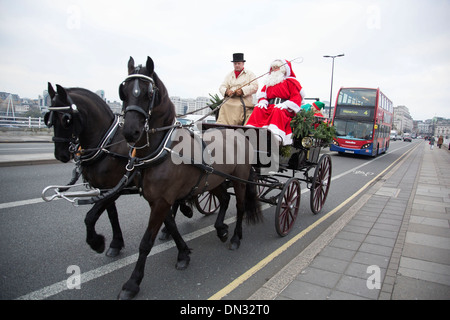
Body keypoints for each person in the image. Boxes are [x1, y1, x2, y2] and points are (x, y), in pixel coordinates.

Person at [246, 59, 305, 145]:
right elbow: (262, 95)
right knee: (258, 108)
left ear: (283, 69)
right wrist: (262, 102)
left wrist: (285, 105)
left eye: (277, 67)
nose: (275, 69)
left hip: (285, 109)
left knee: (277, 110)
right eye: (273, 67)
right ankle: (251, 133)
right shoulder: (269, 82)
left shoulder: (291, 82)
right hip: (270, 106)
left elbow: (296, 98)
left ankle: (276, 136)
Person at [217, 53, 258, 125]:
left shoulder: (250, 74)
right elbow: (221, 87)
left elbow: (255, 86)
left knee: (237, 106)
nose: (237, 65)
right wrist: (227, 91)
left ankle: (234, 125)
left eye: (239, 63)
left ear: (243, 64)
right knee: (224, 105)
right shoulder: (229, 75)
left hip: (244, 101)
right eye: (235, 64)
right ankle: (221, 124)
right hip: (230, 99)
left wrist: (242, 91)